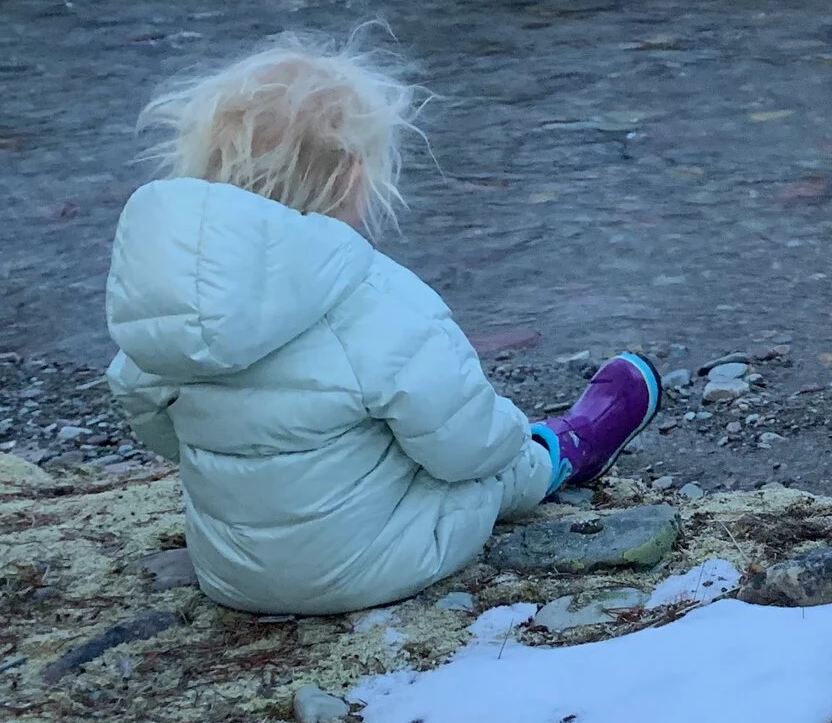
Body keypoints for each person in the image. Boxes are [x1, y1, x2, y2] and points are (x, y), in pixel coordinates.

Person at [104, 38, 665, 615]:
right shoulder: (375, 298)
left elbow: (154, 421)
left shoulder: (161, 300)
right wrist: (508, 441)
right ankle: (564, 452)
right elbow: (466, 449)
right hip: (374, 566)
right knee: (489, 469)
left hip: (229, 574)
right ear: (352, 179)